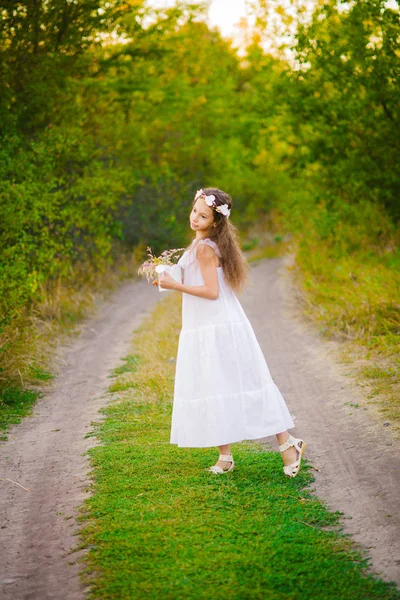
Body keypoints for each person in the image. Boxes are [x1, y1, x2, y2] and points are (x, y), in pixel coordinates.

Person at [158, 187, 306, 477]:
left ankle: (288, 444)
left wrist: (175, 286)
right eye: (194, 212)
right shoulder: (201, 244)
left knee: (246, 382)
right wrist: (168, 277)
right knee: (215, 385)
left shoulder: (204, 248)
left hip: (218, 326)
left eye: (203, 216)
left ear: (215, 221)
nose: (195, 218)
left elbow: (211, 291)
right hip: (207, 325)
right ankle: (225, 456)